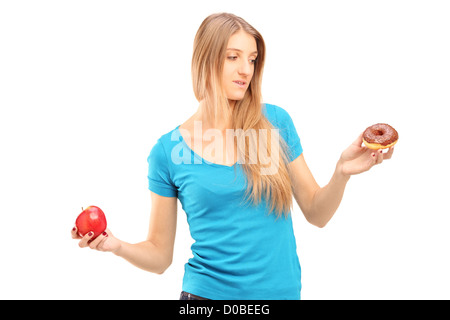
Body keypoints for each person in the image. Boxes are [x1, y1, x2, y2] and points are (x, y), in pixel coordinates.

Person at [71, 12, 394, 300]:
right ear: (206, 60)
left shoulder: (273, 124)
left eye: (252, 59)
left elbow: (316, 214)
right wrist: (116, 246)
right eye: (233, 57)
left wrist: (341, 172)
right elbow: (159, 257)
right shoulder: (168, 152)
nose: (245, 70)